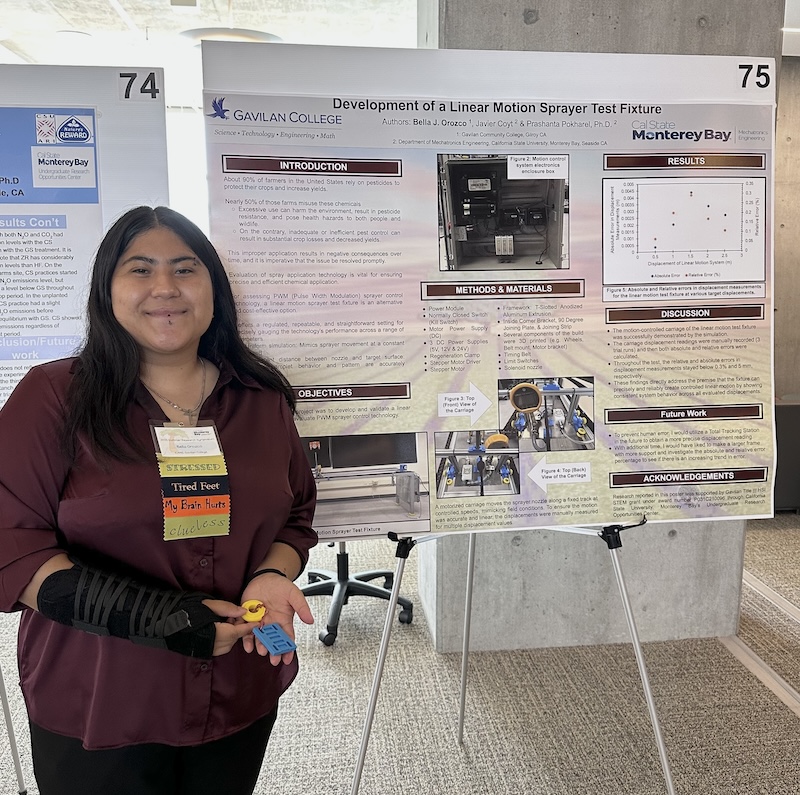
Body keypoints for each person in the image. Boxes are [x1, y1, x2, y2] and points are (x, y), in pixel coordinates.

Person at [0, 206, 318, 795]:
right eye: (140, 269)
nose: (165, 288)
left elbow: (296, 512)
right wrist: (167, 623)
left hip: (236, 689)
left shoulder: (260, 400)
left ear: (214, 291)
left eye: (185, 269)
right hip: (102, 701)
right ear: (107, 291)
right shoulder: (51, 399)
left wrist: (274, 572)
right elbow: (12, 552)